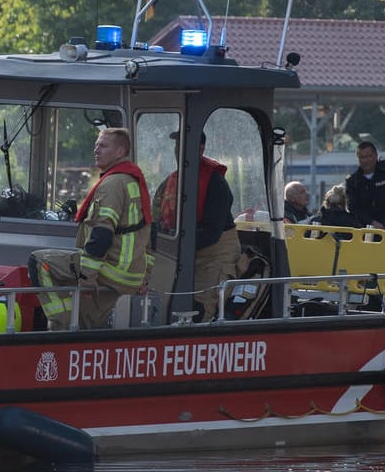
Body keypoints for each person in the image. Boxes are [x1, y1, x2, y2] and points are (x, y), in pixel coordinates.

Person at [29, 127, 152, 329]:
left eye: (103, 146)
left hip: (111, 269)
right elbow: (149, 235)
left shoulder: (112, 184)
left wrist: (87, 277)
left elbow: (101, 234)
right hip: (132, 274)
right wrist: (144, 278)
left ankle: (61, 326)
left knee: (39, 262)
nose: (96, 150)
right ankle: (82, 331)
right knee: (87, 319)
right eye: (96, 145)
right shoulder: (135, 181)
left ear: (120, 151)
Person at [155, 131, 239, 319]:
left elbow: (211, 232)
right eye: (177, 146)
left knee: (200, 308)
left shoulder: (216, 183)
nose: (178, 151)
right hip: (181, 253)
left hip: (214, 255)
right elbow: (156, 219)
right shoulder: (170, 182)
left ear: (201, 149)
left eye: (183, 145)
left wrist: (176, 245)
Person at [344, 141, 385, 230]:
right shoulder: (352, 182)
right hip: (365, 225)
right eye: (362, 157)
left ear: (376, 156)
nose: (365, 160)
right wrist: (372, 222)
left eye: (369, 156)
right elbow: (353, 208)